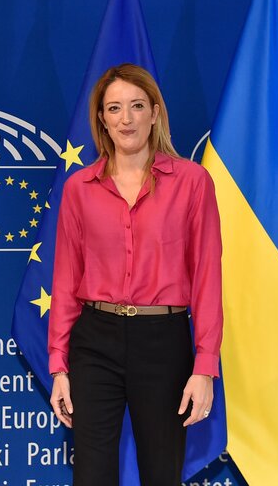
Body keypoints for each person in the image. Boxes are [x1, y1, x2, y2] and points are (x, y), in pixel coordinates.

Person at [48, 63, 222, 485]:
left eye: (136, 106)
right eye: (114, 109)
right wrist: (58, 366)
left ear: (155, 113)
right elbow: (66, 279)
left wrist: (205, 367)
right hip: (94, 342)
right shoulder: (79, 189)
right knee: (91, 476)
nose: (126, 119)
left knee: (162, 475)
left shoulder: (193, 183)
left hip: (163, 343)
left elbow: (207, 278)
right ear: (102, 120)